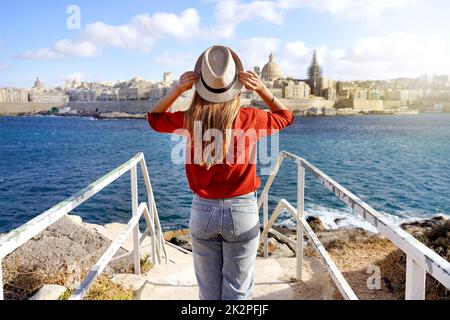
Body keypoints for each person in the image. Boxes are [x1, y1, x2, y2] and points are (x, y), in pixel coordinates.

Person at [147, 45, 294, 300]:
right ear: (236, 85)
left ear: (200, 84)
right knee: (238, 289)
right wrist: (262, 89)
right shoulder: (251, 118)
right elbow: (285, 116)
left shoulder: (189, 119)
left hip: (202, 212)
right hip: (242, 211)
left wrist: (177, 89)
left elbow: (154, 118)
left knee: (209, 291)